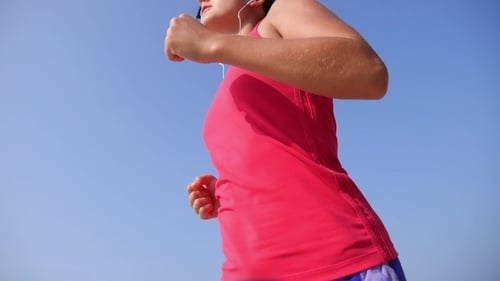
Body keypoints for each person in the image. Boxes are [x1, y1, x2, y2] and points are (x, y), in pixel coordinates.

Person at [165, 0, 407, 280]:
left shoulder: (282, 11)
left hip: (335, 264)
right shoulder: (236, 71)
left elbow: (370, 73)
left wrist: (213, 45)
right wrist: (228, 192)